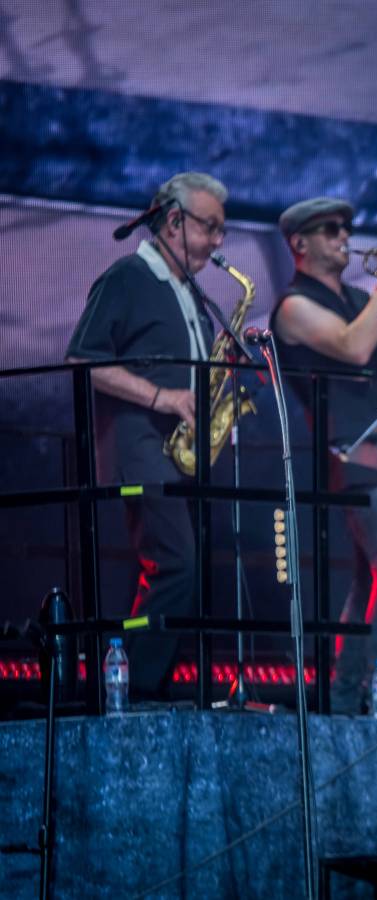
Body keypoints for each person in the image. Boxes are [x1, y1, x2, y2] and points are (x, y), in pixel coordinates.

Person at [66, 171, 228, 700]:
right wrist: (164, 398)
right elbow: (83, 361)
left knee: (183, 572)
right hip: (141, 449)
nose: (217, 242)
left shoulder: (187, 289)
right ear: (174, 221)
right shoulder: (128, 277)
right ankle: (129, 690)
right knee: (175, 565)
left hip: (178, 456)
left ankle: (140, 689)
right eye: (210, 228)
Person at [270, 197, 377, 714]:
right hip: (352, 459)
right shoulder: (294, 307)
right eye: (332, 229)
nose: (344, 236)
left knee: (370, 580)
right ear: (300, 244)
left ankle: (343, 696)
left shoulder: (362, 298)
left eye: (345, 228)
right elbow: (354, 347)